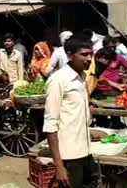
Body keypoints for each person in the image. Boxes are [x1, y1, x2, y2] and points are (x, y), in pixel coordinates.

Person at [43, 33, 99, 188]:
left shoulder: (82, 77)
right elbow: (50, 124)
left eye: (91, 54)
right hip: (68, 155)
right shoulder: (58, 80)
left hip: (83, 150)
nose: (89, 59)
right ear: (70, 56)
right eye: (84, 55)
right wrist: (59, 165)